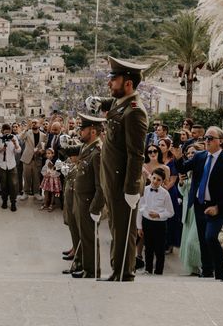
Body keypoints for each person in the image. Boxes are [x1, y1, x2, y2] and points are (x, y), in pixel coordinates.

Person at [95, 57, 149, 281]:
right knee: (116, 227)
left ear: (128, 83)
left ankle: (123, 273)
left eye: (113, 80)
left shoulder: (135, 111)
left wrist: (131, 189)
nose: (109, 84)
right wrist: (99, 101)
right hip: (112, 178)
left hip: (122, 182)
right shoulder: (122, 102)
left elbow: (136, 154)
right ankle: (118, 268)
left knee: (123, 229)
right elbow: (114, 105)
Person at [174, 126, 223, 280]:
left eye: (210, 138)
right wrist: (178, 157)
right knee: (202, 239)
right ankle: (207, 270)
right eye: (205, 138)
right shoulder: (200, 156)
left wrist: (218, 207)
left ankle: (220, 272)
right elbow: (182, 168)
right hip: (200, 204)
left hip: (217, 207)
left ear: (220, 141)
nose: (206, 141)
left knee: (211, 237)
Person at [62, 113, 105, 279]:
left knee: (89, 238)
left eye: (83, 129)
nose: (80, 132)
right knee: (82, 235)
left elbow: (101, 184)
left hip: (89, 201)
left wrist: (96, 207)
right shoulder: (87, 147)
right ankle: (81, 265)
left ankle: (92, 270)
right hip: (80, 199)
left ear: (93, 131)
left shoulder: (98, 151)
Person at [137, 168, 174, 275]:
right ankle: (148, 269)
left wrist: (159, 215)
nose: (155, 181)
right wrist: (139, 226)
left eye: (158, 180)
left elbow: (171, 212)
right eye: (154, 178)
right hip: (147, 223)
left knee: (159, 249)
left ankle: (158, 271)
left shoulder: (165, 194)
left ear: (162, 182)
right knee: (148, 248)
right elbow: (140, 209)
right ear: (151, 177)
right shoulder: (144, 190)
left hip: (160, 224)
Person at [178, 145, 202, 276]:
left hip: (199, 207)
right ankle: (194, 269)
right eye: (189, 153)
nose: (191, 155)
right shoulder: (186, 171)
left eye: (194, 152)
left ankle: (203, 264)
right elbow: (182, 192)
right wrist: (181, 183)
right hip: (188, 209)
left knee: (193, 241)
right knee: (187, 239)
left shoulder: (202, 168)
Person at [0, 123, 22, 212]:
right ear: (2, 131)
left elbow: (18, 150)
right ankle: (4, 201)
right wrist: (1, 150)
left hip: (12, 164)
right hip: (2, 165)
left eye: (8, 133)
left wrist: (15, 142)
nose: (7, 135)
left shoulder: (13, 137)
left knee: (13, 185)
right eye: (5, 133)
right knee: (3, 185)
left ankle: (13, 202)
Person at [19, 118, 47, 201]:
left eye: (36, 122)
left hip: (37, 159)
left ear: (39, 124)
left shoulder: (43, 135)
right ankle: (25, 193)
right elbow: (20, 137)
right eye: (33, 123)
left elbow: (44, 147)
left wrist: (42, 151)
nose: (34, 124)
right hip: (27, 158)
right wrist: (27, 127)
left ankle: (36, 193)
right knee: (26, 177)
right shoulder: (28, 133)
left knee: (37, 177)